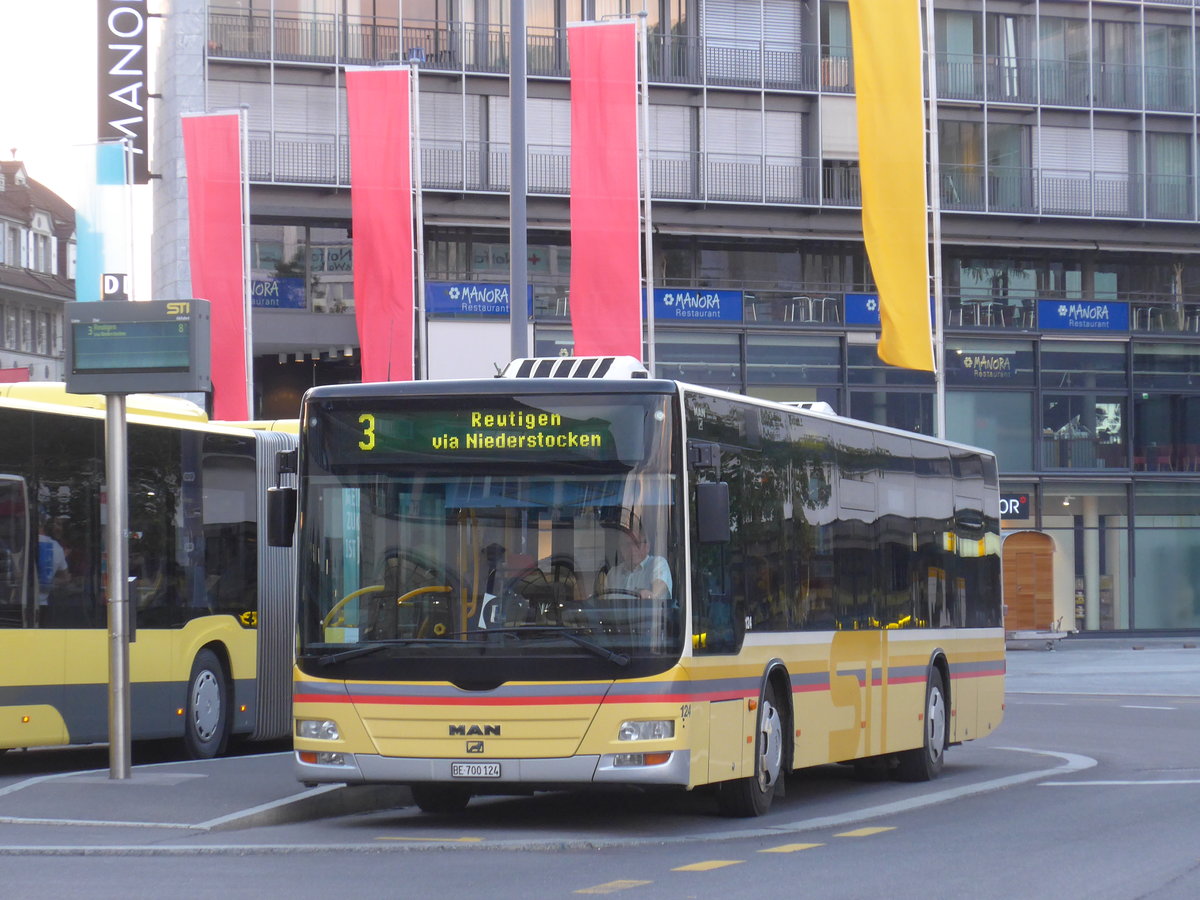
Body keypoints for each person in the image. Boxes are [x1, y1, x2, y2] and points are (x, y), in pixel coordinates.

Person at [602, 511, 672, 602]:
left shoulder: (657, 563)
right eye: (627, 544)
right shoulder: (613, 574)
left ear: (647, 546)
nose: (632, 549)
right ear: (621, 548)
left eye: (637, 543)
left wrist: (652, 594)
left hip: (650, 616)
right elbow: (605, 604)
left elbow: (660, 585)